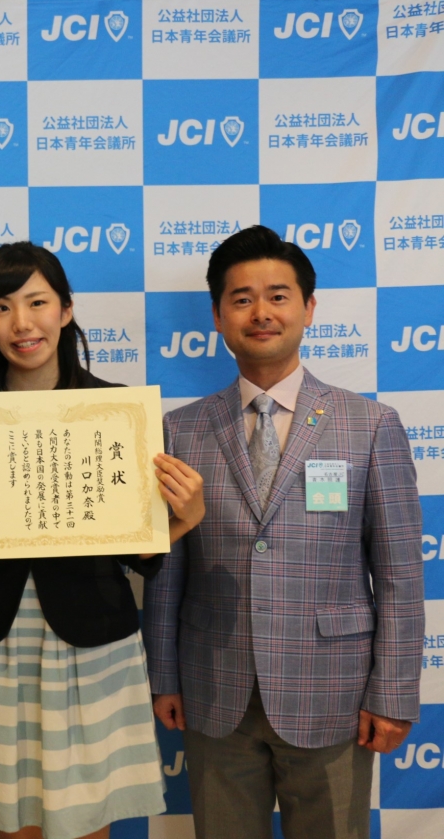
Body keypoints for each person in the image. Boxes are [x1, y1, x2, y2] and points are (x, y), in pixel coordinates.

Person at [0, 242, 205, 839]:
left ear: (66, 311)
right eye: (2, 308)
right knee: (8, 818)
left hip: (92, 640)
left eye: (37, 302)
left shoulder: (115, 410)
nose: (22, 323)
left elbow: (137, 549)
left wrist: (183, 520)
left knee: (86, 818)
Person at [144, 225, 424, 839]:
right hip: (214, 688)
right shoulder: (181, 430)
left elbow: (400, 574)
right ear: (218, 316)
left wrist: (394, 692)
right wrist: (163, 673)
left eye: (278, 296)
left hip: (334, 693)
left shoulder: (370, 425)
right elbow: (167, 569)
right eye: (242, 299)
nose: (261, 313)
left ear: (309, 308)